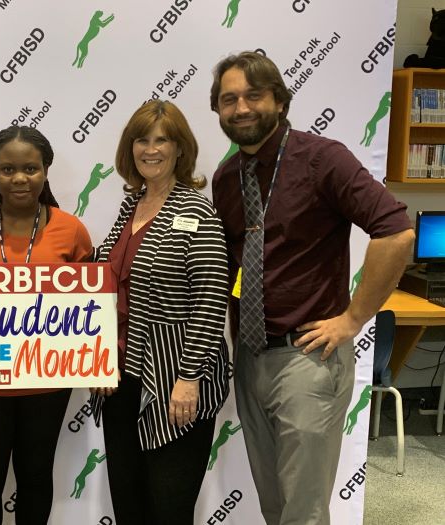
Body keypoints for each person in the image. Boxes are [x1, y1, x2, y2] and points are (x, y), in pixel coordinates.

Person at [209, 51, 414, 525]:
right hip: (250, 355)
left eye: (253, 96)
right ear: (218, 111)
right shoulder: (226, 179)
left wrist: (353, 319)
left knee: (303, 509)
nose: (241, 108)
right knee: (273, 501)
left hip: (307, 357)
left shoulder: (323, 159)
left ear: (279, 101)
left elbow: (396, 230)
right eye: (228, 99)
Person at [0, 125, 93, 525]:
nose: (20, 178)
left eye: (31, 168)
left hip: (47, 383)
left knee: (35, 477)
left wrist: (101, 362)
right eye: (7, 169)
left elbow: (89, 305)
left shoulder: (71, 229)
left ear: (46, 170)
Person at [91, 100, 230, 525]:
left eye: (161, 140)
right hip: (121, 379)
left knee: (168, 509)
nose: (150, 150)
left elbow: (211, 300)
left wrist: (188, 378)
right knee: (128, 503)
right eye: (141, 140)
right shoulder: (130, 207)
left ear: (180, 148)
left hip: (175, 382)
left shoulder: (197, 211)